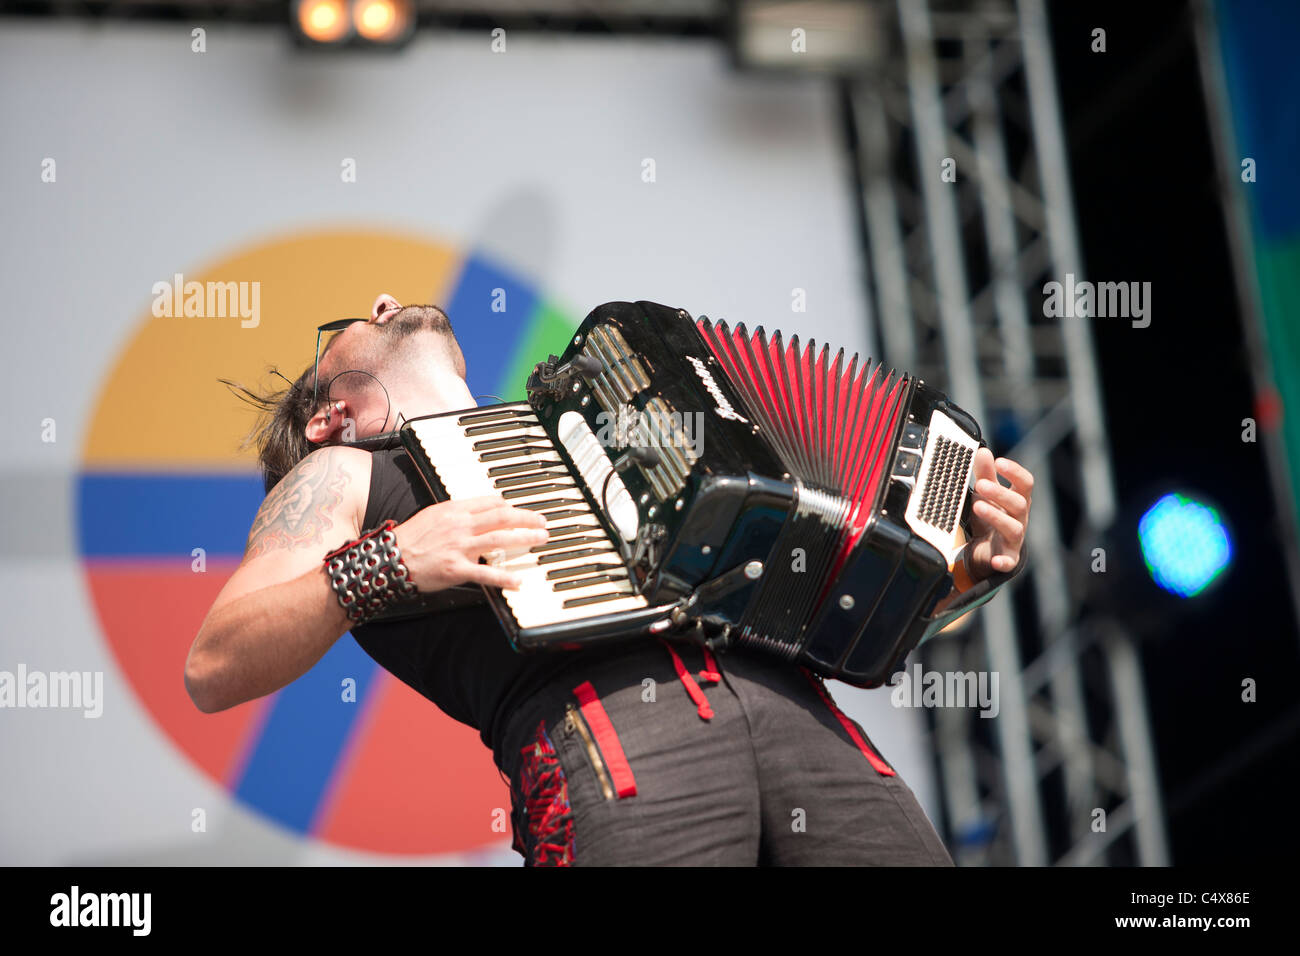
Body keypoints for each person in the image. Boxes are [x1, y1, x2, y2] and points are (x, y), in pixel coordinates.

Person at [185, 293, 1033, 866]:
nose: (379, 300)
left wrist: (964, 573)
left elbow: (849, 616)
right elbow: (214, 666)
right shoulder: (348, 474)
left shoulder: (594, 418)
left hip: (808, 720)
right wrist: (391, 560)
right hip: (614, 738)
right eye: (345, 321)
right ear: (328, 415)